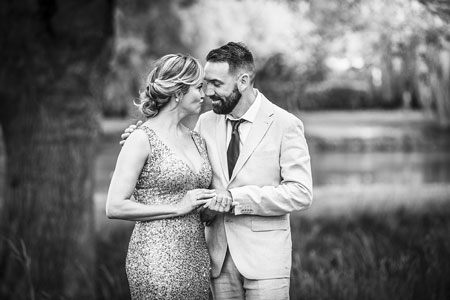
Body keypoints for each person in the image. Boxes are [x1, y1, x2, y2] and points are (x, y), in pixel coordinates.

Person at [122, 42, 313, 300]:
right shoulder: (206, 122)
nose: (208, 92)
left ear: (243, 81)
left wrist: (236, 199)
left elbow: (300, 192)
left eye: (216, 83)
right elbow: (187, 170)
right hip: (216, 258)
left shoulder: (285, 124)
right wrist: (142, 141)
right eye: (204, 83)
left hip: (265, 261)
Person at [106, 53, 217, 300]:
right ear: (178, 92)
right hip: (156, 257)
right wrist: (177, 208)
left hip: (196, 258)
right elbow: (114, 206)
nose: (203, 95)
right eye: (198, 87)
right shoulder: (141, 138)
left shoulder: (197, 139)